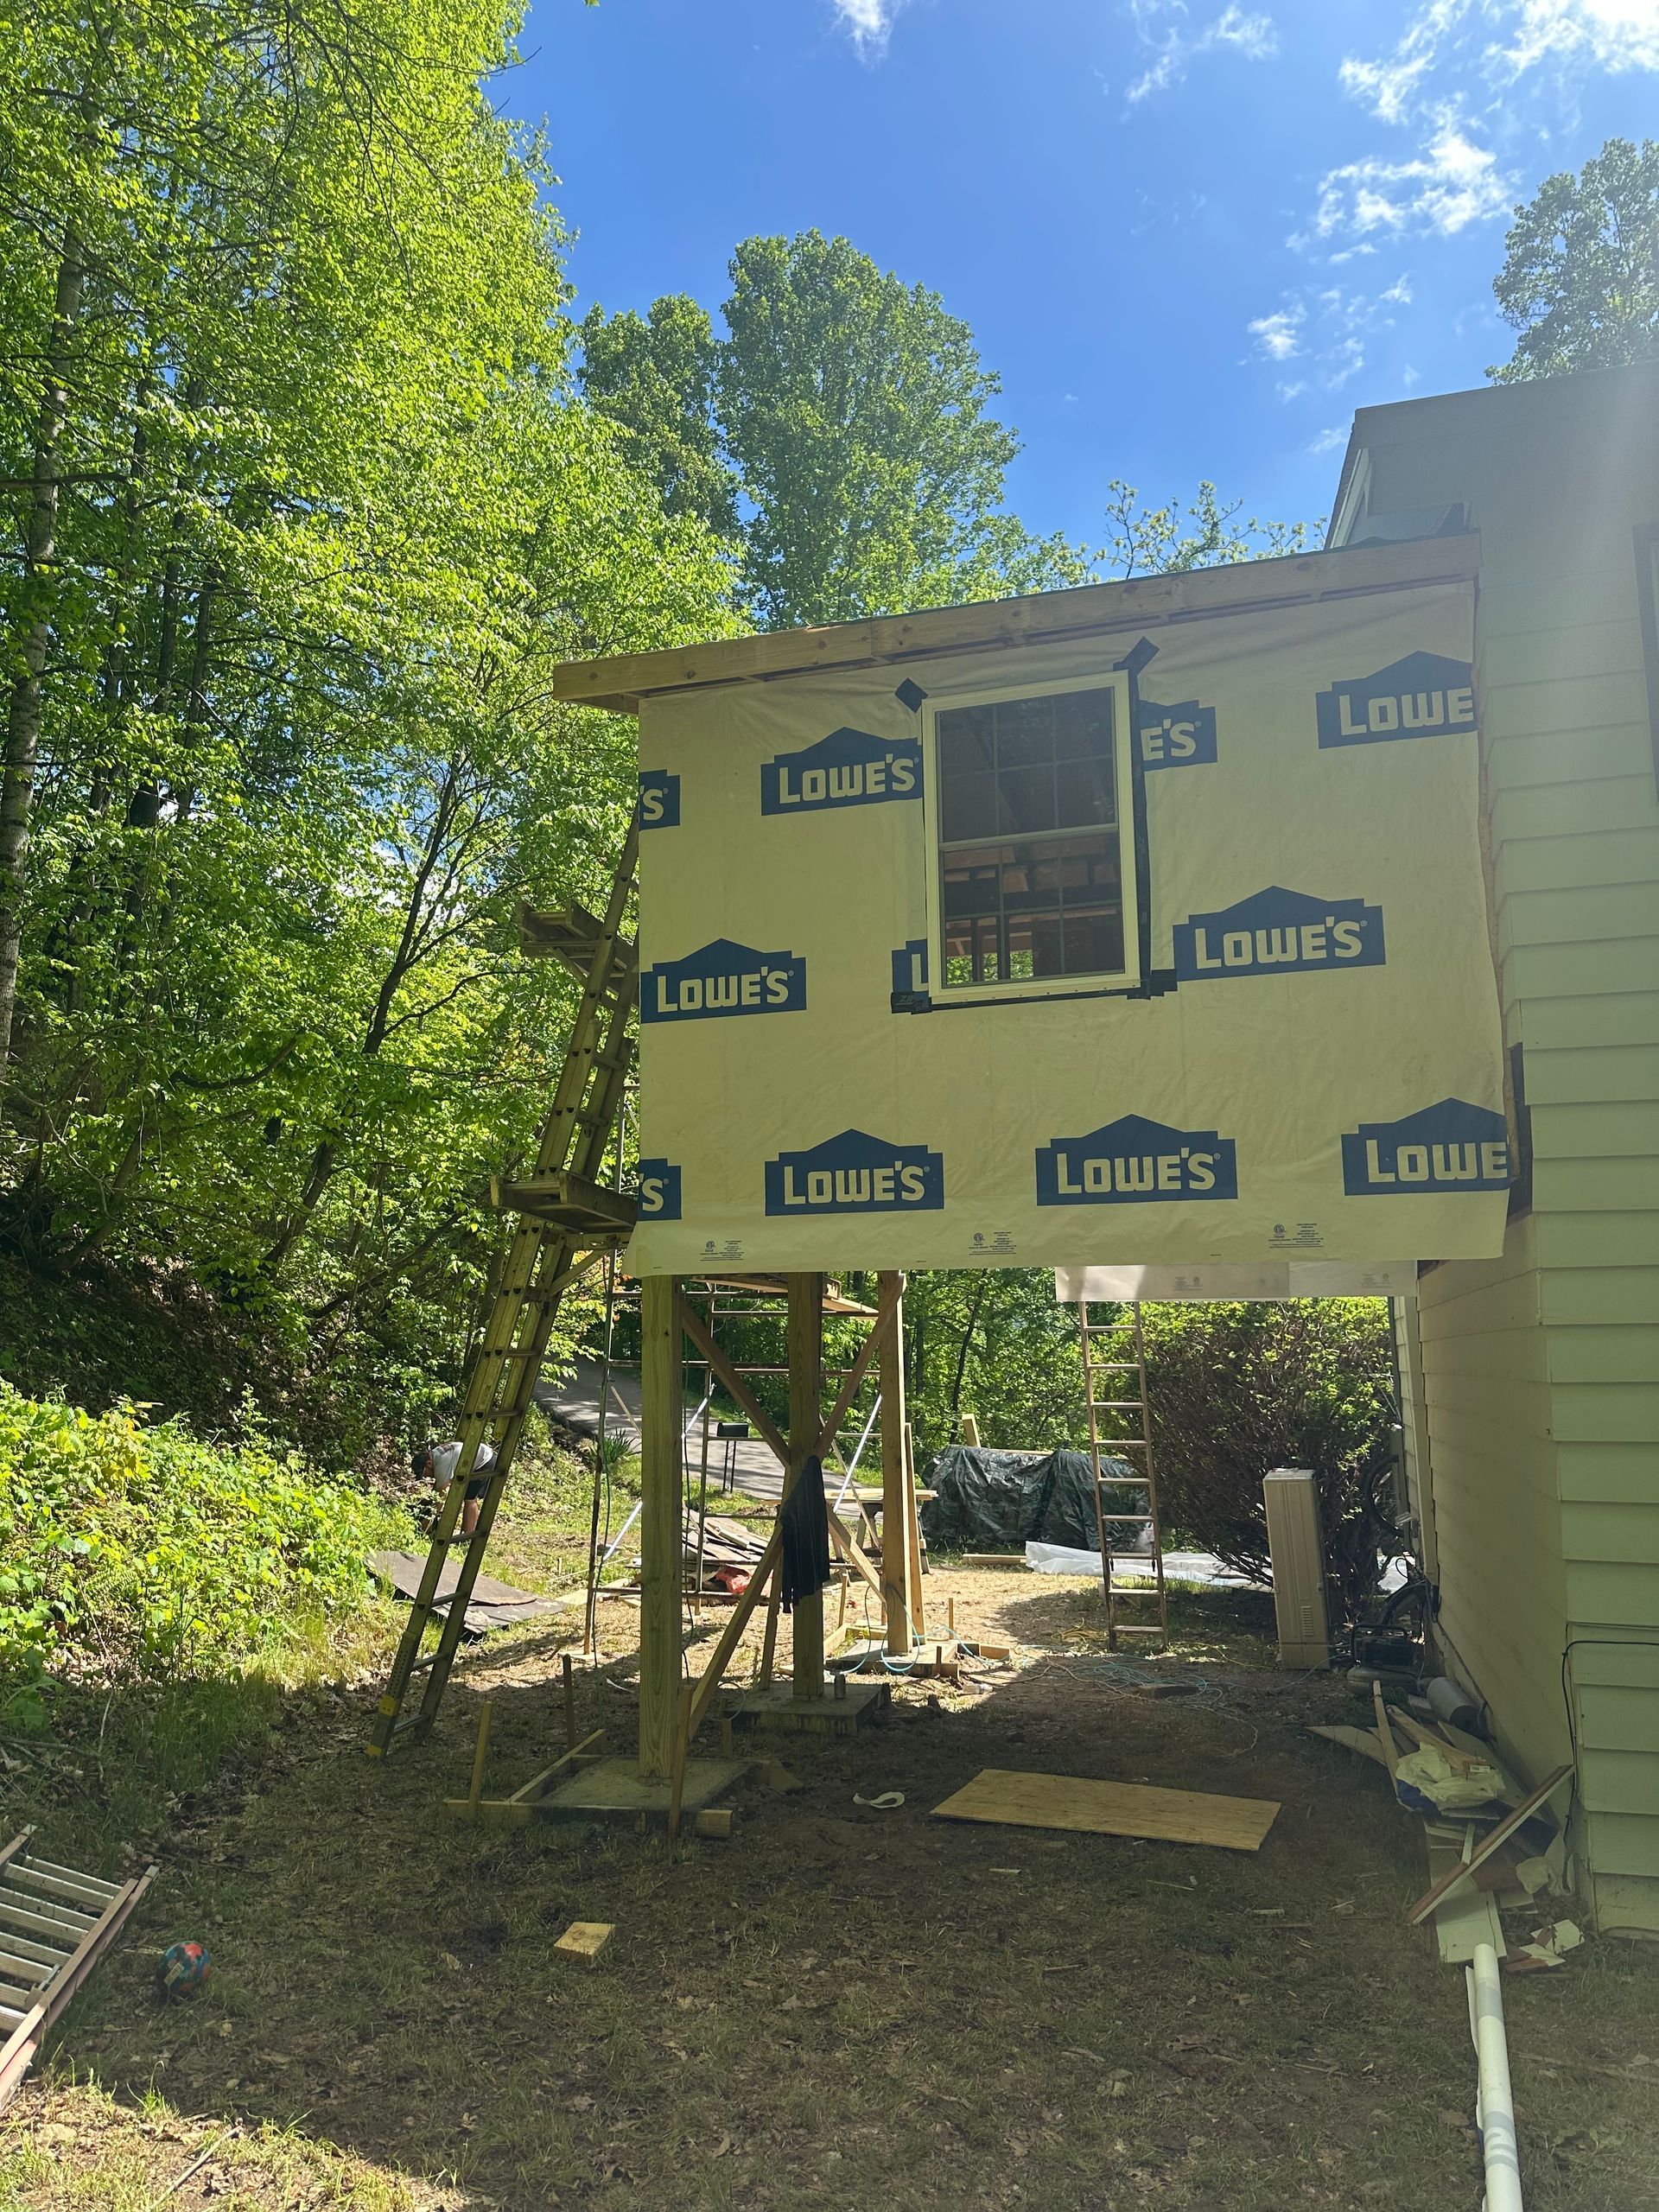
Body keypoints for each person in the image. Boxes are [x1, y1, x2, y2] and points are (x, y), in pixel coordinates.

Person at [415, 1436, 497, 1539]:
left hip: (484, 1460)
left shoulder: (442, 1465)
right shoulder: (435, 1454)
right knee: (466, 1497)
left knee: (469, 1499)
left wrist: (425, 1526)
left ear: (429, 1464)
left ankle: (467, 1537)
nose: (427, 1477)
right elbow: (436, 1493)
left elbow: (440, 1498)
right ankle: (464, 1535)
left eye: (425, 1473)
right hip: (474, 1456)